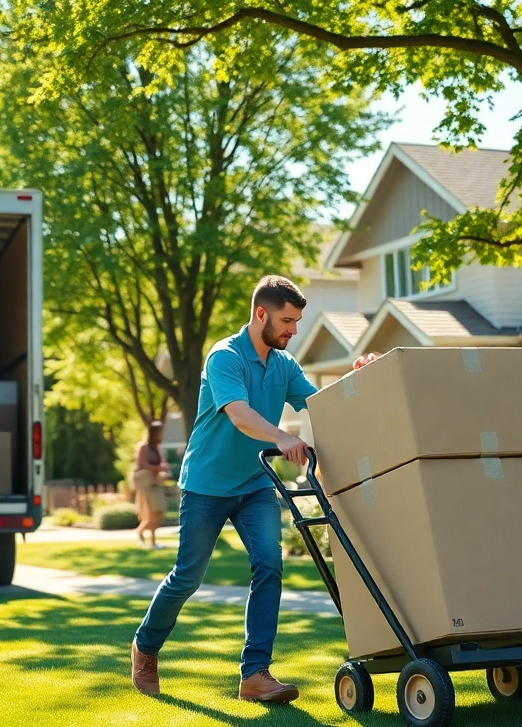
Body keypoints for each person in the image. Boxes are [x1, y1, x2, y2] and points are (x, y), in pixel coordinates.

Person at [130, 275, 375, 703]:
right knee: (188, 577)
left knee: (269, 564)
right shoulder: (224, 356)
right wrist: (282, 437)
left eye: (296, 322)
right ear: (260, 313)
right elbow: (239, 413)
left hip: (256, 484)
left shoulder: (284, 365)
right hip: (207, 485)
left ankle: (255, 675)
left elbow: (321, 404)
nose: (292, 331)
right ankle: (145, 647)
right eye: (286, 320)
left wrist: (358, 381)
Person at [132, 421, 170, 549]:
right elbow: (141, 464)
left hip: (155, 484)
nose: (162, 435)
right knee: (150, 513)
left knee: (160, 511)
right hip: (146, 484)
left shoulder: (157, 448)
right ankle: (146, 537)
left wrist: (163, 469)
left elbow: (162, 463)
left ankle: (147, 537)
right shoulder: (143, 447)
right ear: (154, 433)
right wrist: (158, 468)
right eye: (160, 432)